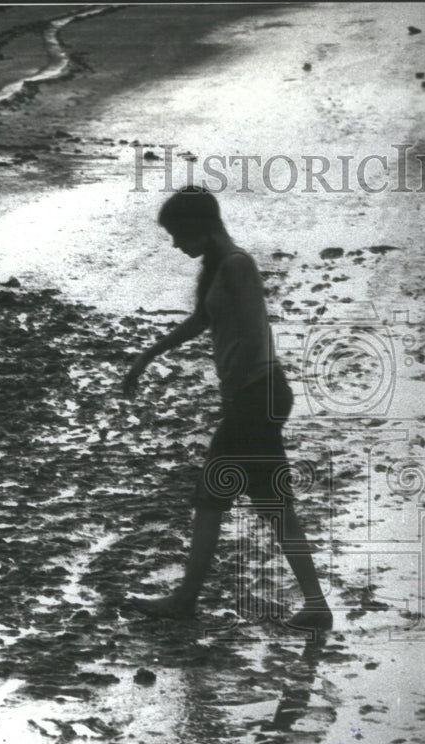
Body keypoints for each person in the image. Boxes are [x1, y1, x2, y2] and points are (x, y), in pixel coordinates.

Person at [121, 186, 333, 634]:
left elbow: (254, 334)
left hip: (256, 399)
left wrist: (237, 391)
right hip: (257, 398)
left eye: (179, 234)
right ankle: (313, 604)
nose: (176, 244)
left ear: (202, 225)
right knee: (259, 504)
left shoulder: (237, 265)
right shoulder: (219, 267)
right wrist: (147, 356)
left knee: (217, 497)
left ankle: (185, 600)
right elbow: (203, 320)